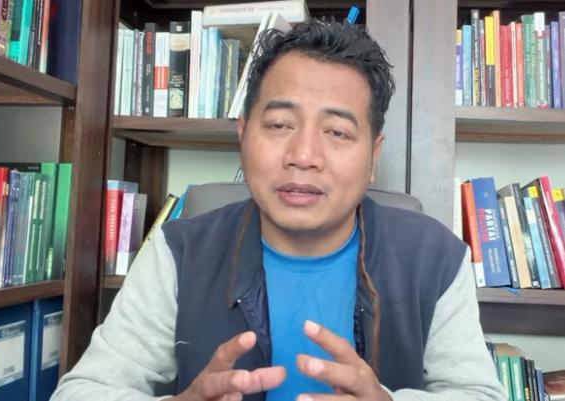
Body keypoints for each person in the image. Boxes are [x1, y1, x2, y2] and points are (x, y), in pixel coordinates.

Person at [51, 20, 506, 401]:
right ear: (243, 135)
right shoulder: (178, 252)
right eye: (279, 124)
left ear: (373, 156)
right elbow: (82, 391)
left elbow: (477, 394)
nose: (303, 155)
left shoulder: (436, 257)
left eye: (337, 132)